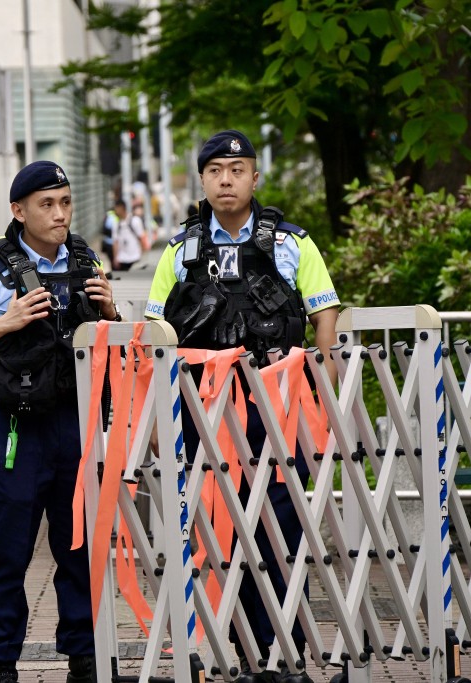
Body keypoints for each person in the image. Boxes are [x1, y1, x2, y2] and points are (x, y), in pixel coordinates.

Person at [145, 130, 340, 683]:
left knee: (281, 532)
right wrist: (159, 419)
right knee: (214, 530)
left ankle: (283, 655)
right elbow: (157, 332)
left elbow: (324, 315)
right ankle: (225, 654)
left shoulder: (291, 244)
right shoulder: (180, 251)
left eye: (237, 169)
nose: (226, 179)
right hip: (204, 409)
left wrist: (323, 389)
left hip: (275, 405)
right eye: (215, 171)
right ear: (203, 180)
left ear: (255, 177)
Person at [0, 160, 122, 683]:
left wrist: (113, 311)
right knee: (10, 549)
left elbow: (115, 342)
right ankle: (0, 660)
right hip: (17, 431)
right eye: (47, 204)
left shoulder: (87, 260)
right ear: (18, 210)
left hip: (75, 425)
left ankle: (84, 656)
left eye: (65, 202)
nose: (59, 214)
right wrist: (8, 321)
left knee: (78, 547)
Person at [112, 199, 145, 271]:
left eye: (116, 209)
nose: (115, 211)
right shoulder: (116, 224)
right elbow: (115, 242)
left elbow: (142, 238)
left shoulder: (135, 221)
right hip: (122, 259)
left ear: (122, 208)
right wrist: (115, 258)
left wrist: (143, 255)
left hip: (135, 257)